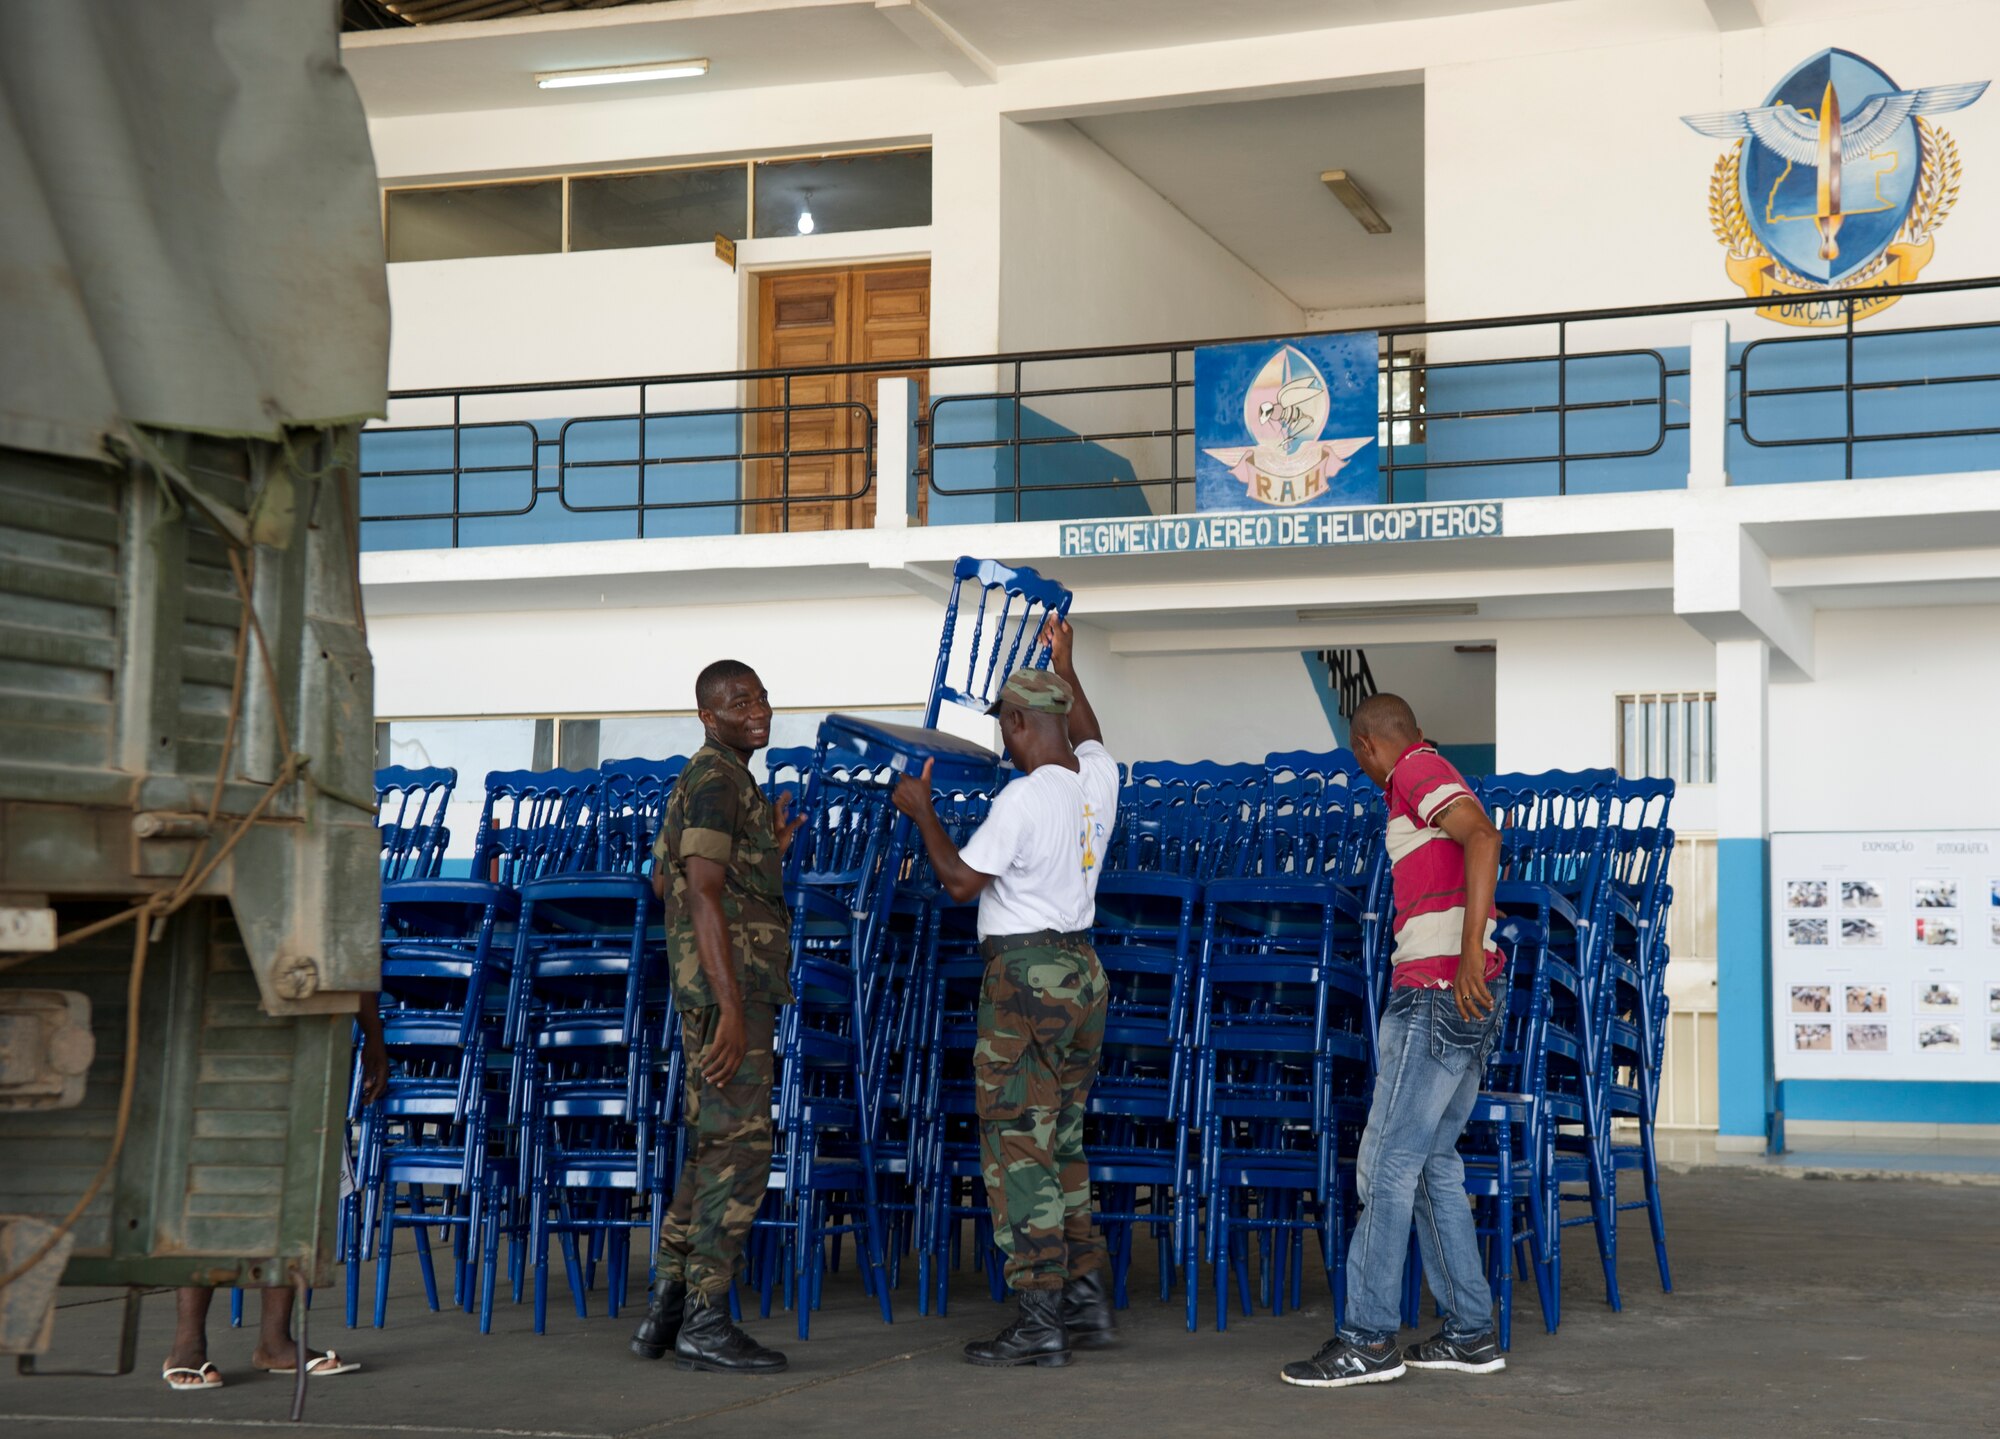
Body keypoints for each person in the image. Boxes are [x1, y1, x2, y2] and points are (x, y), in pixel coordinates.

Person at [891, 618, 1118, 1369]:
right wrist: (1067, 663)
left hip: (1023, 979)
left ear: (1020, 722)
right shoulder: (1098, 784)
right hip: (1082, 975)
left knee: (1020, 1146)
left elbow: (959, 883)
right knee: (1065, 1141)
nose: (1005, 741)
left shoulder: (1022, 800)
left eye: (1006, 727)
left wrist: (923, 814)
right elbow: (1089, 732)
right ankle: (1085, 1297)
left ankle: (1037, 1315)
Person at [1281, 693, 1508, 1389]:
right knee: (1433, 1163)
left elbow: (1484, 836)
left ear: (1365, 746)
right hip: (1465, 999)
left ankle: (1369, 1337)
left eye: (1359, 756)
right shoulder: (1425, 769)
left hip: (1438, 990)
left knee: (1383, 1162)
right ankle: (1471, 1331)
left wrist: (1467, 948)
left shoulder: (1411, 767)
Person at [630, 660, 800, 1376]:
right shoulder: (718, 778)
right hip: (729, 995)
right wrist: (732, 1009)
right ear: (708, 714)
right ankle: (706, 1314)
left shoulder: (712, 778)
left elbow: (665, 875)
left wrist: (765, 859)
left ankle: (667, 1307)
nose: (756, 708)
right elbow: (697, 890)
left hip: (712, 989)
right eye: (738, 701)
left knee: (710, 1147)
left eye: (759, 695)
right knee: (741, 1148)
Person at [163, 997, 387, 1390]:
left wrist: (373, 1035)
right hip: (222, 1027)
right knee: (211, 1187)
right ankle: (187, 1343)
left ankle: (275, 1341)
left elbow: (353, 951)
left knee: (295, 1188)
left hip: (307, 1034)